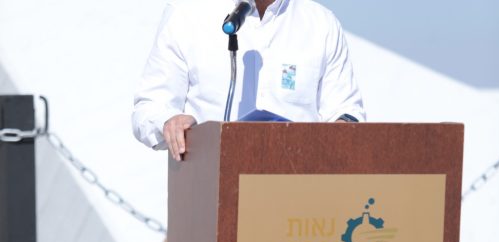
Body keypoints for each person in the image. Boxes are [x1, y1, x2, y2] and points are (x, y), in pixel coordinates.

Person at [132, 0, 365, 160]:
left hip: (299, 198)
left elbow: (347, 110)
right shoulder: (187, 15)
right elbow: (148, 108)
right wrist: (168, 122)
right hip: (209, 193)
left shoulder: (321, 23)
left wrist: (342, 131)